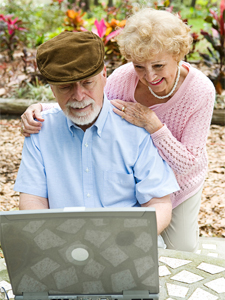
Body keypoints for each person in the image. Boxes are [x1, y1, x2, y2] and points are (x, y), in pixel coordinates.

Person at [20, 8, 215, 252]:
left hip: (183, 174)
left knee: (182, 249)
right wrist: (41, 109)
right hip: (146, 173)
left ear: (177, 56)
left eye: (158, 65)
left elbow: (189, 163)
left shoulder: (200, 92)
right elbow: (89, 104)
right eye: (140, 66)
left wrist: (154, 126)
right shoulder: (122, 79)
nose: (149, 76)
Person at [14, 31, 180, 238]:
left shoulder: (135, 128)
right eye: (65, 87)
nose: (78, 96)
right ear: (52, 89)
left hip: (127, 241)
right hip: (61, 242)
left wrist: (131, 239)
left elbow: (159, 202)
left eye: (87, 83)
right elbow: (32, 199)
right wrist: (48, 240)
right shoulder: (39, 131)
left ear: (104, 76)